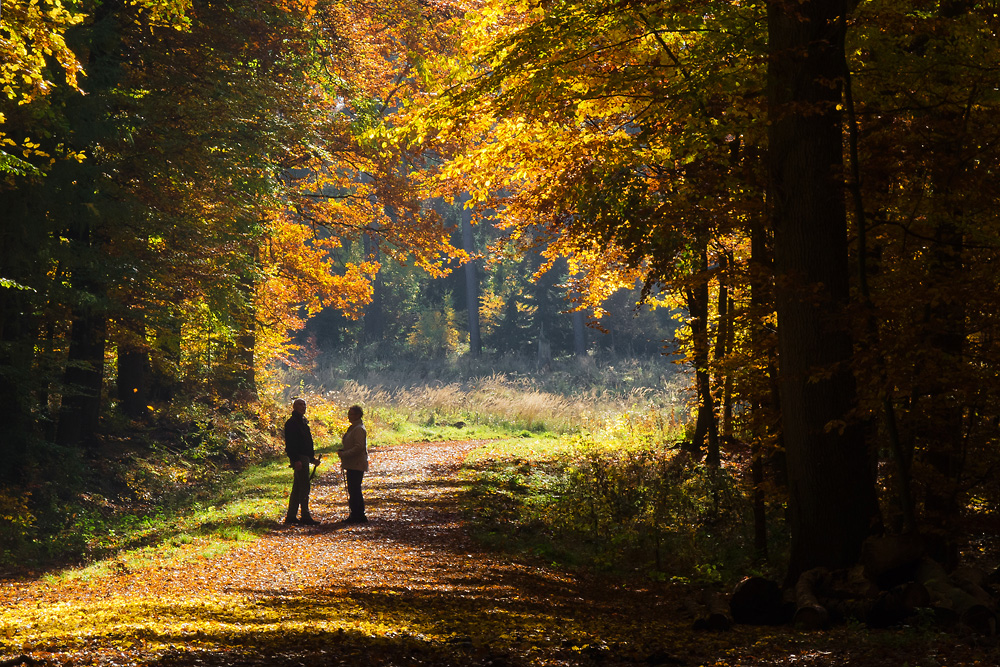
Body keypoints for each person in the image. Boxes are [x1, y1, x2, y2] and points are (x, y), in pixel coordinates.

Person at [284, 398, 321, 525]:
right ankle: (305, 516)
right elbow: (290, 444)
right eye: (300, 404)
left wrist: (311, 459)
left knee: (298, 487)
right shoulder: (292, 423)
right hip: (299, 458)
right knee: (304, 487)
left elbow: (307, 443)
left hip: (304, 458)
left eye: (304, 404)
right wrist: (295, 460)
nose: (303, 407)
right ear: (294, 407)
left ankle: (291, 516)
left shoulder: (303, 422)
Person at [337, 405, 369, 523]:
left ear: (358, 415)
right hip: (352, 464)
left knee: (354, 489)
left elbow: (359, 447)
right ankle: (356, 514)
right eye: (349, 413)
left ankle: (358, 515)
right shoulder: (353, 427)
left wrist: (344, 454)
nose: (349, 416)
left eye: (351, 414)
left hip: (356, 464)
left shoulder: (359, 429)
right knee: (353, 489)